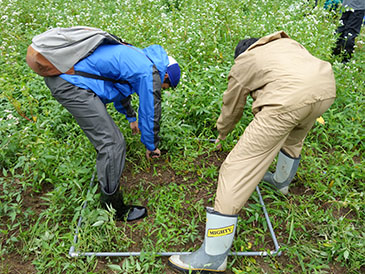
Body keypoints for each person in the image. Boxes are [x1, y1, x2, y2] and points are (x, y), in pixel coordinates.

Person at [168, 31, 336, 273]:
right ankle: (280, 183)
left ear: (241, 54)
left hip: (288, 101)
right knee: (293, 138)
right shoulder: (284, 43)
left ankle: (213, 257)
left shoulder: (245, 61)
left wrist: (222, 131)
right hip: (325, 89)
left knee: (235, 168)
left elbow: (232, 104)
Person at [44, 42, 181, 222]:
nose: (162, 90)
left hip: (65, 76)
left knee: (109, 140)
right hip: (72, 83)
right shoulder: (151, 72)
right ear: (166, 77)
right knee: (113, 143)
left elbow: (118, 87)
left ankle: (107, 172)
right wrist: (152, 146)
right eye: (165, 88)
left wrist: (131, 117)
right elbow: (150, 112)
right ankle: (113, 207)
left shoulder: (140, 59)